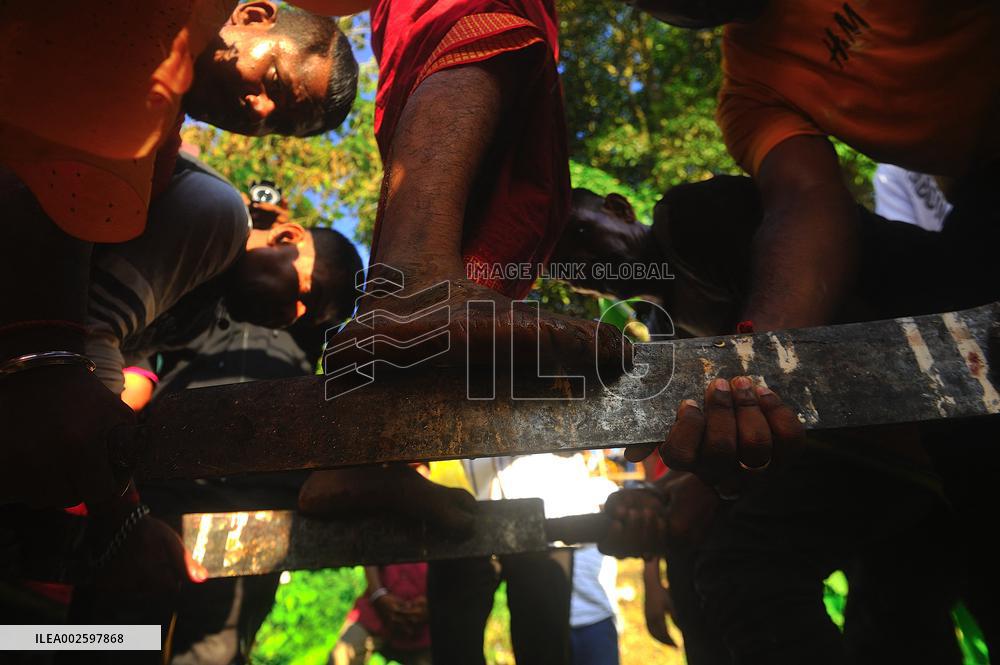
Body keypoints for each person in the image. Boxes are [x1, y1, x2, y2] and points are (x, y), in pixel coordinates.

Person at [0, 0, 359, 511]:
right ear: (253, 16)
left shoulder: (196, 307)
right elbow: (82, 340)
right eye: (276, 83)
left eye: (277, 125)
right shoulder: (219, 215)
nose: (259, 113)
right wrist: (115, 508)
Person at [332, 564, 432, 665]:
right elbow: (369, 553)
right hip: (375, 612)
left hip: (430, 623)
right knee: (340, 655)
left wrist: (434, 602)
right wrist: (378, 594)